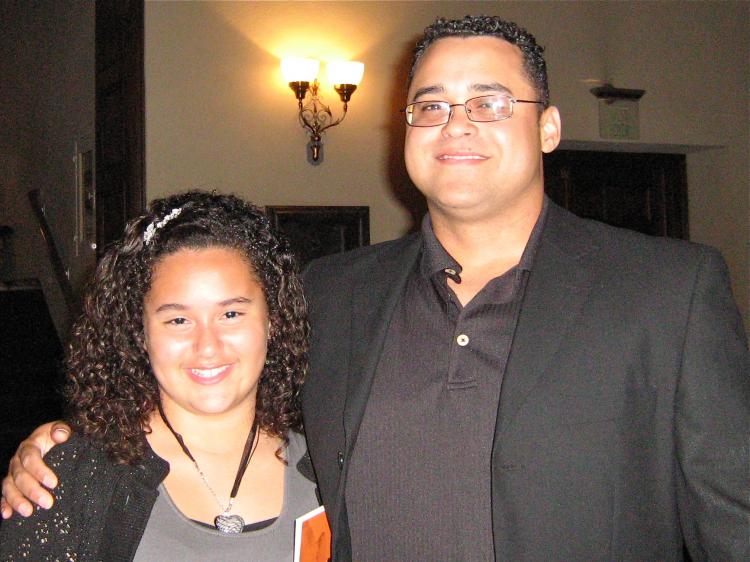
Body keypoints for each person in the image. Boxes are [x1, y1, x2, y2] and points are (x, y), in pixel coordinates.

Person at [3, 14, 749, 561]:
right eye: (430, 105)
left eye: (490, 102)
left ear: (548, 126)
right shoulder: (331, 295)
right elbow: (218, 392)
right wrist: (69, 447)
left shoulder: (669, 294)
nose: (455, 124)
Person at [0, 191, 319, 561]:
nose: (208, 346)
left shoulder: (331, 463)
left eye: (231, 314)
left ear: (273, 321)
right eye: (178, 320)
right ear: (140, 333)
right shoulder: (69, 477)